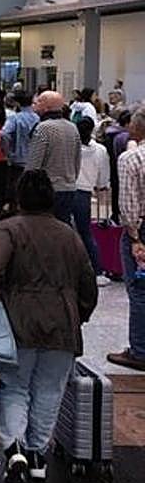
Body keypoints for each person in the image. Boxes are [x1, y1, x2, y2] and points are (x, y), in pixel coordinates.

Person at [0, 169, 97, 483]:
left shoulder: (11, 229)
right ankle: (36, 455)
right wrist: (79, 314)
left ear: (19, 198)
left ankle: (14, 446)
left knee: (15, 386)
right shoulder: (69, 235)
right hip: (62, 325)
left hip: (19, 323)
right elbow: (88, 285)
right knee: (49, 391)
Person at [108, 108, 145, 371]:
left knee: (140, 289)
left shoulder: (130, 158)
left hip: (141, 229)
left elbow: (129, 204)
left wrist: (134, 238)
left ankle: (140, 350)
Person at [27, 90, 82, 225]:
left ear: (47, 107)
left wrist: (26, 188)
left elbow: (34, 164)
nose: (35, 104)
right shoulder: (72, 128)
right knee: (62, 227)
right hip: (69, 188)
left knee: (43, 230)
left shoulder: (43, 128)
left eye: (39, 101)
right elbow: (77, 160)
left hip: (48, 190)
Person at [75, 116, 111, 278]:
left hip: (66, 189)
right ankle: (97, 270)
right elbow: (103, 177)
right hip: (85, 192)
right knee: (86, 233)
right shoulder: (100, 150)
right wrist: (101, 186)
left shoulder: (70, 146)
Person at [0, 92, 39, 214]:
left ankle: (16, 210)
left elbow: (4, 134)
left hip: (18, 158)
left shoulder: (15, 118)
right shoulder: (37, 118)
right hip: (34, 158)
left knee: (16, 186)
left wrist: (7, 151)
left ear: (17, 103)